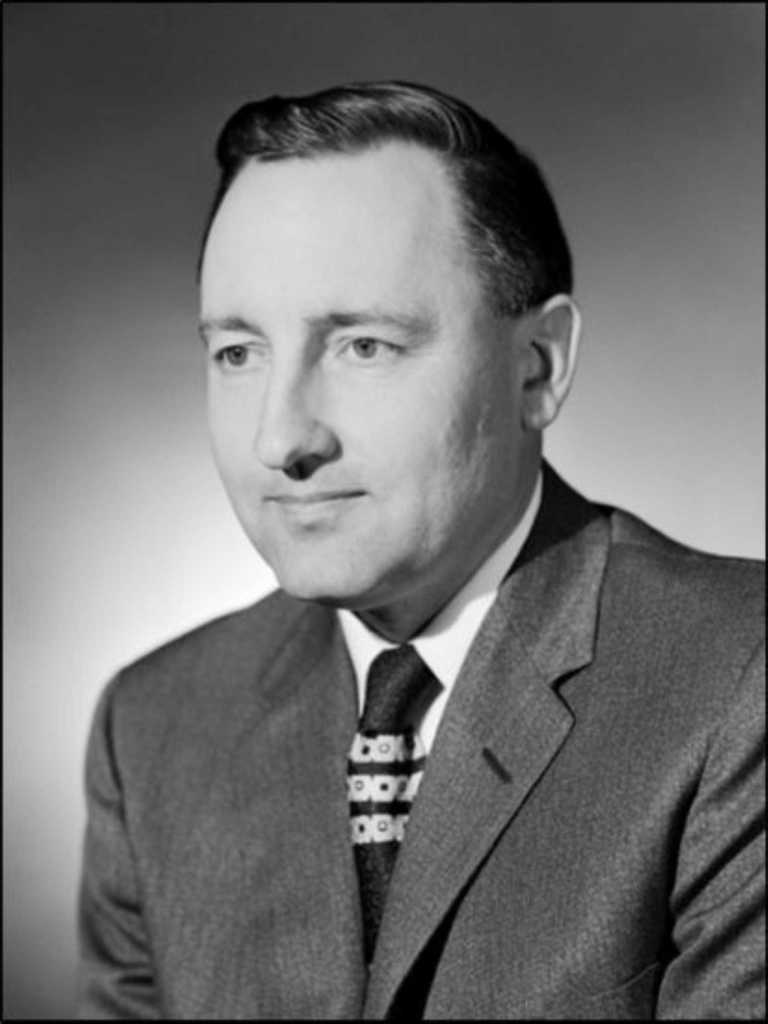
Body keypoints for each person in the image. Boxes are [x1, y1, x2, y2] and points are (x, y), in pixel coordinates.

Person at [77, 80, 764, 1020]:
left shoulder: (738, 681)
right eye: (239, 352)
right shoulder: (154, 730)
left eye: (363, 345)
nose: (282, 440)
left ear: (539, 367)